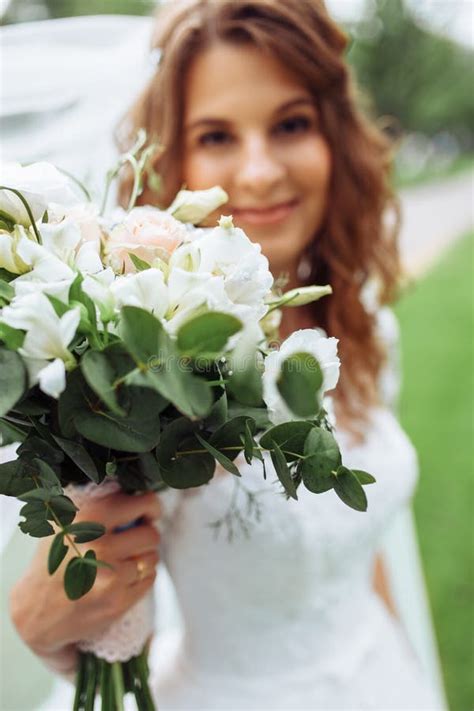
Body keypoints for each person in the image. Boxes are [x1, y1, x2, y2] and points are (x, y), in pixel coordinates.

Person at [9, 1, 443, 708]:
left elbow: (361, 549)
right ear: (174, 155)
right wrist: (39, 621)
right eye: (217, 135)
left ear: (334, 135)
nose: (261, 170)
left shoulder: (359, 325)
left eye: (291, 124)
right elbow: (101, 601)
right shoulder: (146, 370)